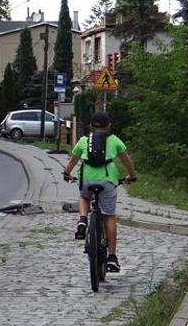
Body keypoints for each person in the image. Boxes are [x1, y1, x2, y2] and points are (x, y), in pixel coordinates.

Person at [62, 111, 137, 273]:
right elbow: (127, 160)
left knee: (83, 196)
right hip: (107, 180)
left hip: (87, 179)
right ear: (108, 126)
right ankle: (112, 257)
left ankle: (83, 219)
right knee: (109, 216)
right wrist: (132, 175)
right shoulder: (114, 140)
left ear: (90, 126)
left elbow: (72, 161)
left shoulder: (83, 140)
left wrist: (66, 173)